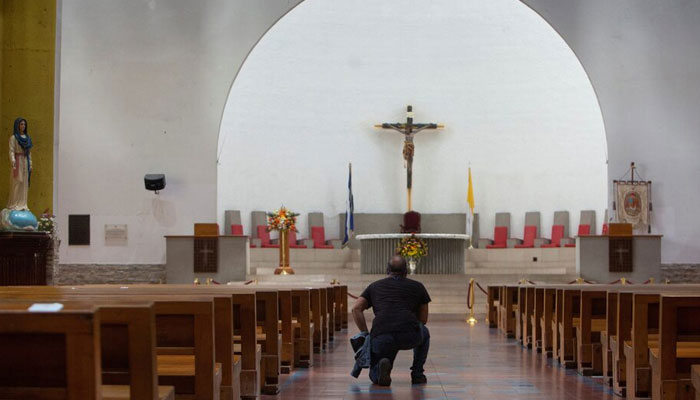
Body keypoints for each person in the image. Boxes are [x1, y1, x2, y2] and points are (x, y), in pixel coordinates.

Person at [351, 255, 431, 386]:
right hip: (409, 334)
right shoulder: (418, 287)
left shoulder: (375, 286)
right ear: (406, 271)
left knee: (380, 361)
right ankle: (417, 374)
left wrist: (365, 334)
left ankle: (381, 370)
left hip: (382, 334)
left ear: (387, 270)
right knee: (424, 332)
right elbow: (423, 319)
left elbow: (356, 309)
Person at [7, 117, 32, 211]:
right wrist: (12, 160)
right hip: (17, 161)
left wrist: (31, 164)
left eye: (24, 124)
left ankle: (23, 204)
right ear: (17, 125)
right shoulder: (13, 138)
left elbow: (29, 152)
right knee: (17, 182)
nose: (23, 126)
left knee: (24, 183)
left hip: (25, 162)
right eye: (21, 124)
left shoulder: (27, 138)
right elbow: (11, 150)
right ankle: (14, 203)